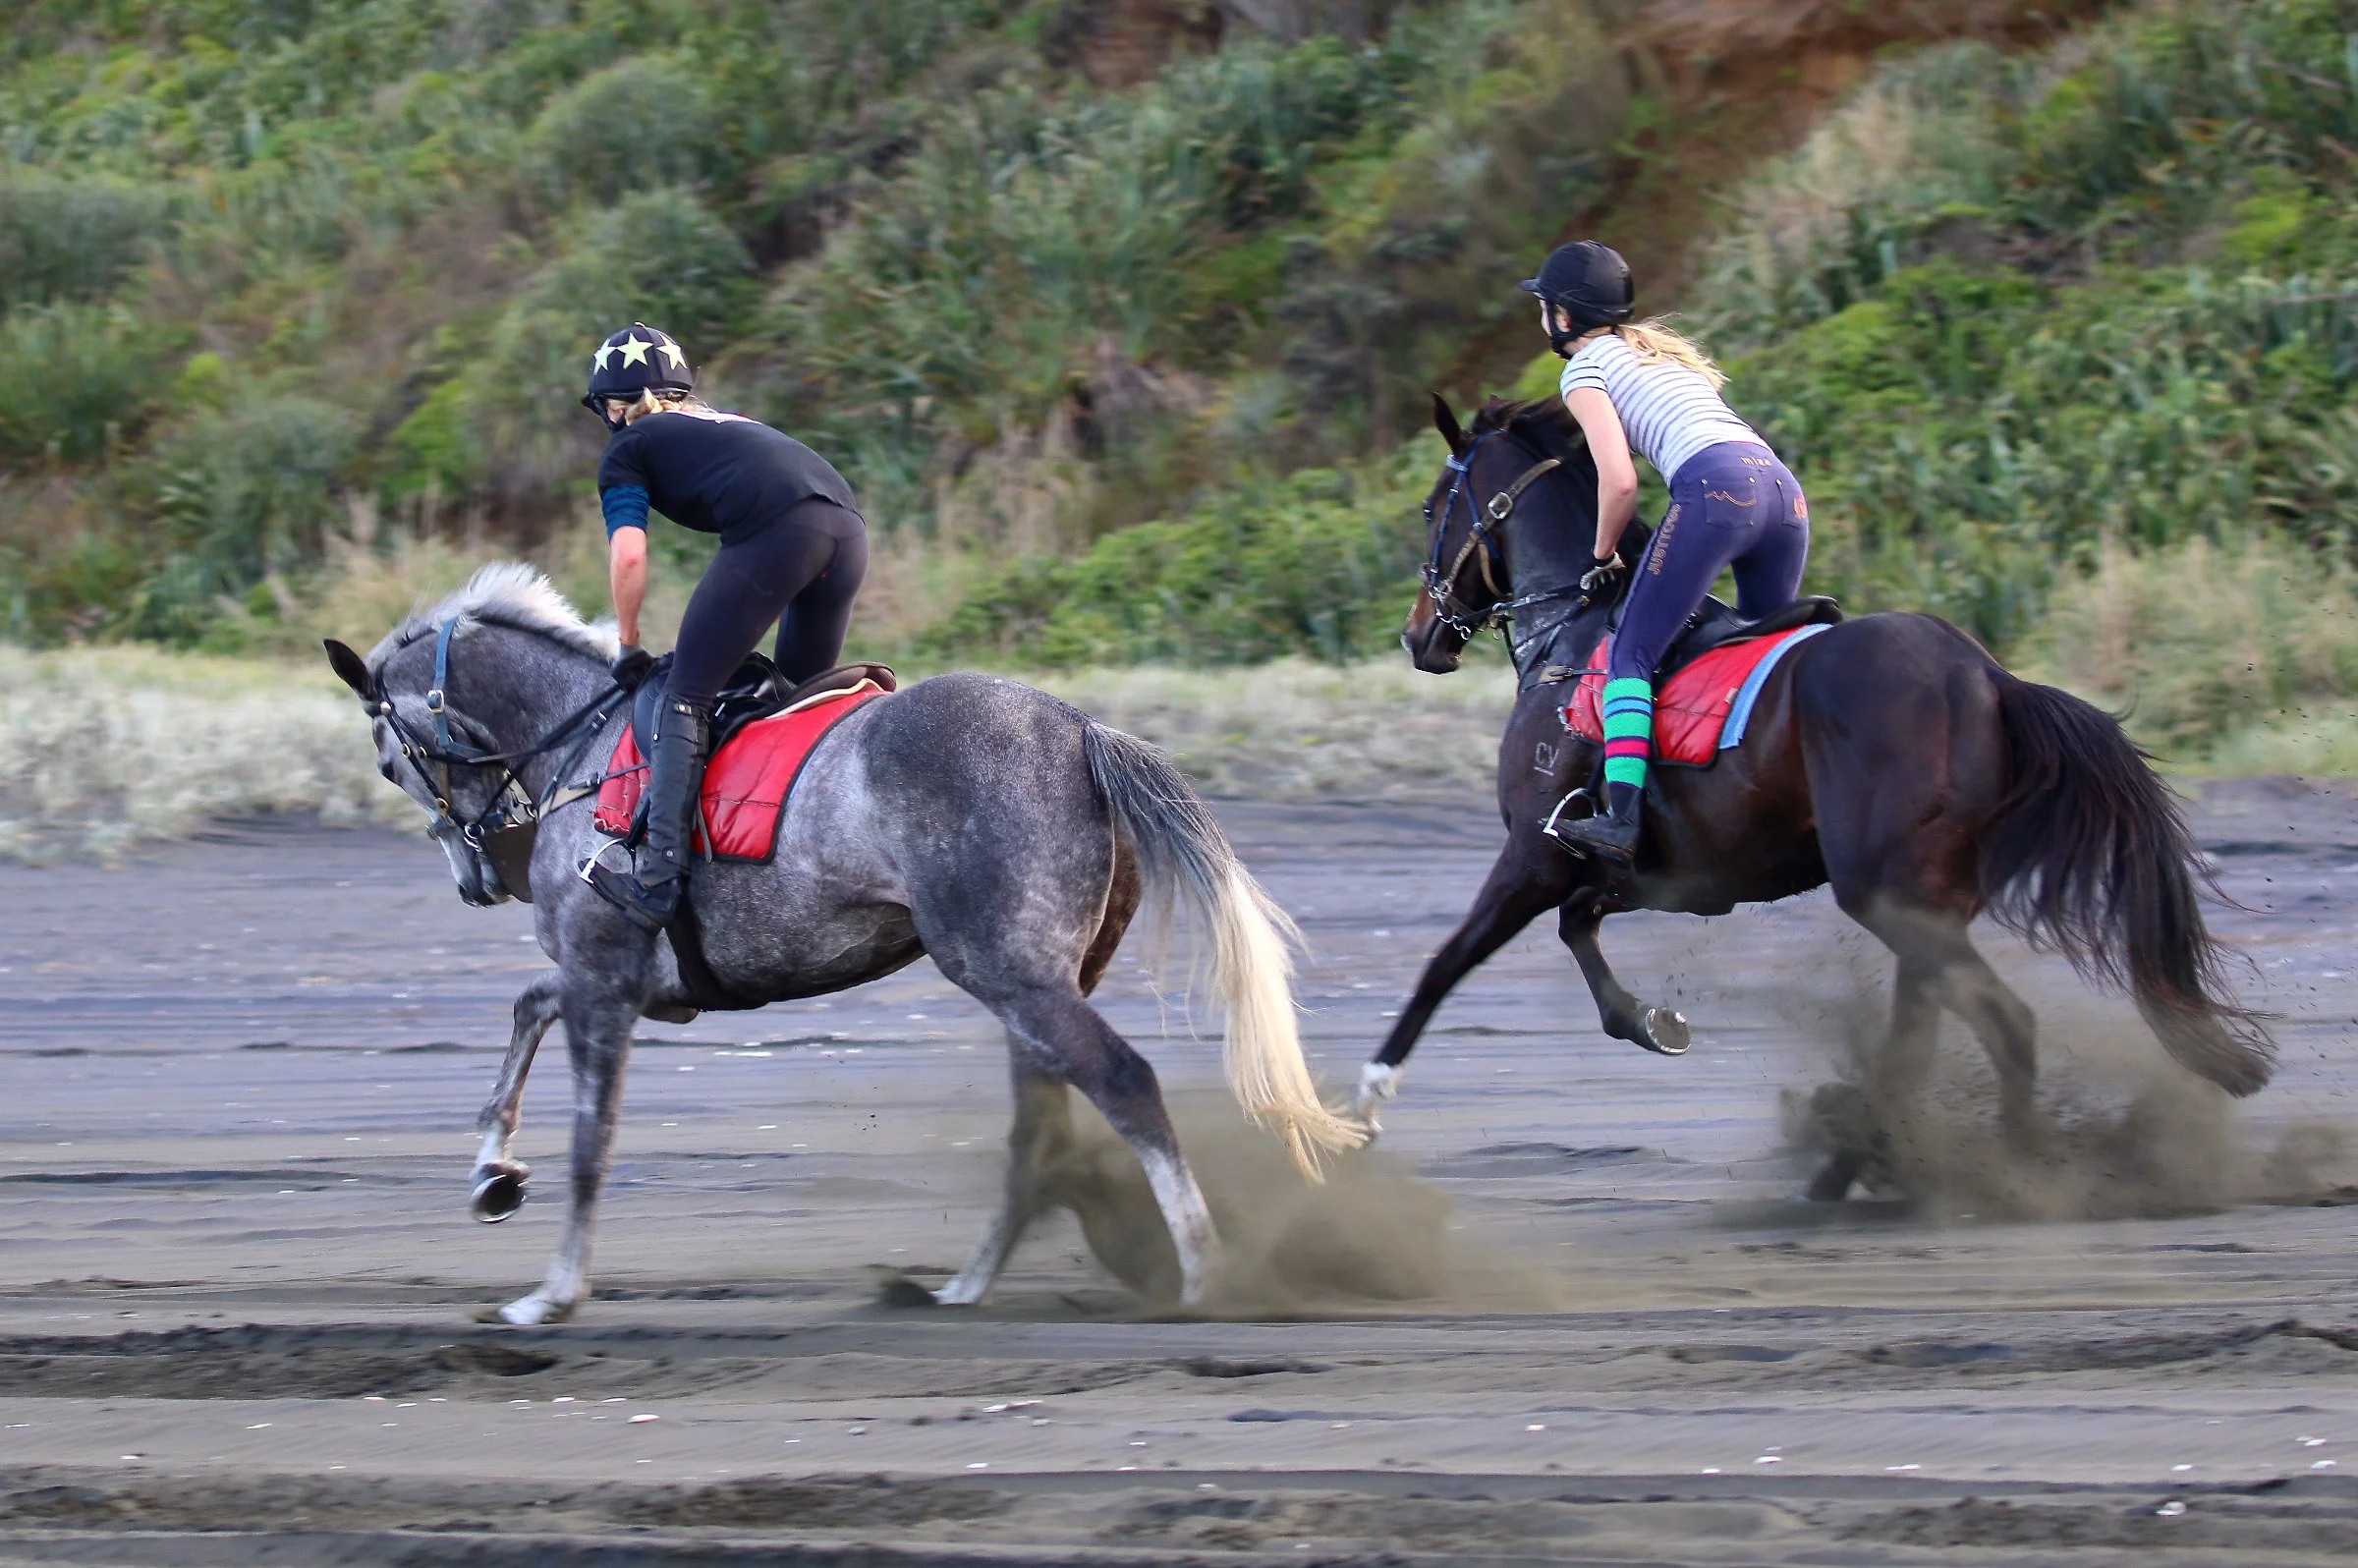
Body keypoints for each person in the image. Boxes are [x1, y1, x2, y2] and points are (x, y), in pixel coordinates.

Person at [1521, 242, 1811, 866]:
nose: (1542, 318)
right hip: (1784, 494)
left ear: (1563, 317)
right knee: (1764, 658)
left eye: (1544, 307)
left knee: (1632, 651)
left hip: (1718, 491)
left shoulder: (1585, 369)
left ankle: (1620, 817)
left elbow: (1619, 481)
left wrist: (1603, 555)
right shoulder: (1655, 355)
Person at [581, 322, 869, 931]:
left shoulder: (629, 446)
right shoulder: (729, 423)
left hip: (782, 531)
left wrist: (627, 643)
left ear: (616, 404)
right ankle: (811, 852)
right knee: (798, 697)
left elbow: (628, 554)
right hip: (847, 531)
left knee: (687, 694)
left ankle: (656, 880)